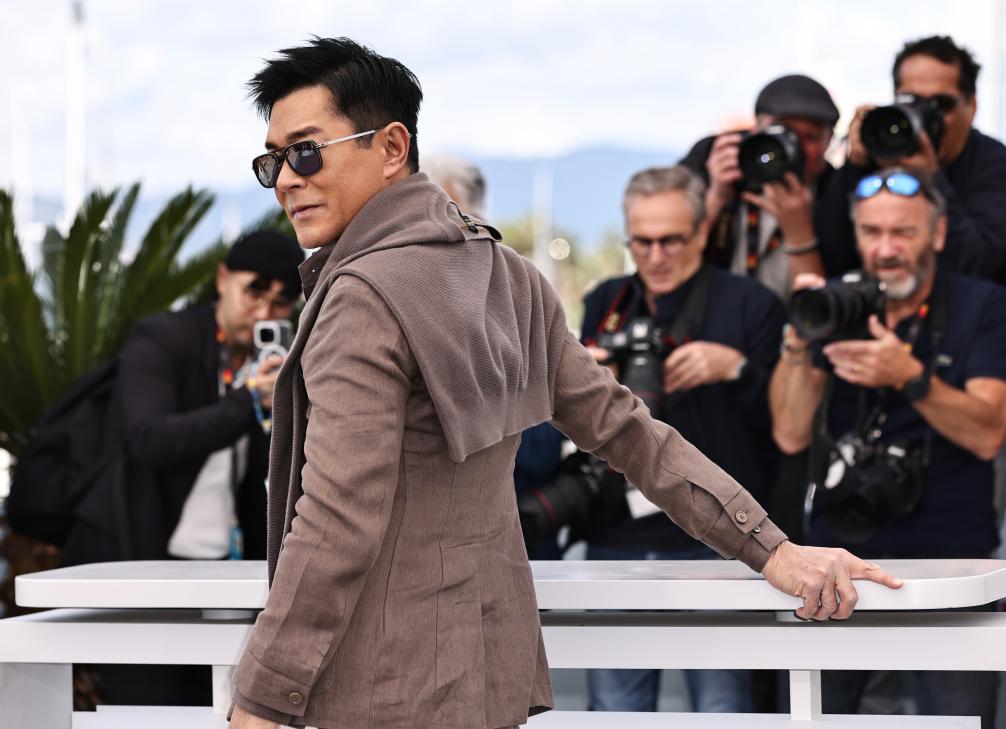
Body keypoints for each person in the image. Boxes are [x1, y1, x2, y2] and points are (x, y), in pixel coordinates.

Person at [228, 37, 902, 729]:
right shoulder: (506, 273)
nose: (285, 180)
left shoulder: (362, 296)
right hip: (485, 677)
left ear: (392, 146)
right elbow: (630, 432)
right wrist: (771, 548)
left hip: (381, 689)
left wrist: (262, 696)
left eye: (306, 152)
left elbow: (338, 517)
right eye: (271, 161)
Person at [770, 168, 1006, 728]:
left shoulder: (982, 305)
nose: (885, 250)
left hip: (952, 570)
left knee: (959, 720)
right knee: (816, 718)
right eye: (872, 232)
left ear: (938, 234)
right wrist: (800, 339)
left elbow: (989, 433)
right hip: (837, 565)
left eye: (903, 232)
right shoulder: (839, 304)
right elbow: (790, 432)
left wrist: (909, 377)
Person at [62, 230, 302, 706]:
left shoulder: (275, 362)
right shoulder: (164, 339)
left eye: (281, 302)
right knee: (149, 704)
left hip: (225, 572)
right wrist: (247, 402)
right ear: (223, 279)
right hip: (138, 561)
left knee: (215, 704)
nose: (264, 311)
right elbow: (150, 440)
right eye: (254, 291)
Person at [577, 165, 785, 713]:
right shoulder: (607, 301)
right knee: (614, 713)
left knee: (723, 711)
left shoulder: (749, 304)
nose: (656, 256)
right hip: (618, 540)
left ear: (701, 233)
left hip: (719, 541)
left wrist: (735, 368)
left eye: (671, 240)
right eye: (641, 242)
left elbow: (788, 429)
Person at [818, 35, 1006, 285]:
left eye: (940, 104)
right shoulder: (883, 149)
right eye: (912, 101)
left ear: (971, 107)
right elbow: (833, 258)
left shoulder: (994, 165)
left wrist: (931, 178)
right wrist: (856, 167)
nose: (925, 115)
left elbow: (981, 265)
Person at [679, 74, 840, 299]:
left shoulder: (837, 192)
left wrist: (799, 233)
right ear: (756, 129)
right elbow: (668, 258)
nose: (794, 147)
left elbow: (821, 304)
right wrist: (716, 196)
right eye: (782, 133)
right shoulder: (712, 158)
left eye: (810, 137)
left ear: (828, 141)